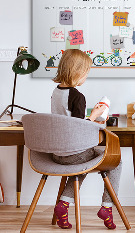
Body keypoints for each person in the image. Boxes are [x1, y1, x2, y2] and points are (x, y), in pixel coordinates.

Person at [51, 49, 121, 230]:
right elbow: (79, 127)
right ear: (77, 71)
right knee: (116, 161)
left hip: (57, 153)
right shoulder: (77, 96)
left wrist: (91, 116)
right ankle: (107, 207)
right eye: (86, 72)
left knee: (81, 164)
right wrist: (96, 115)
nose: (86, 77)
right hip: (74, 153)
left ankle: (63, 205)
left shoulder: (56, 92)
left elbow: (68, 121)